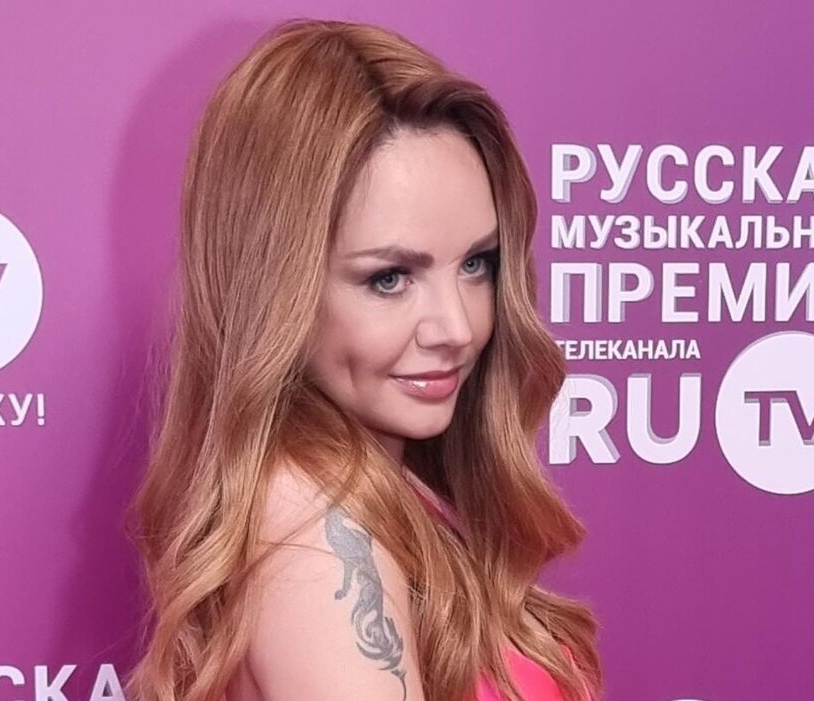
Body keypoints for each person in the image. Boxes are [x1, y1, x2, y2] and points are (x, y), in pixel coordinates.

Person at [126, 18, 602, 701]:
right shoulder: (320, 527)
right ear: (274, 288)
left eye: (476, 263)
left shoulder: (385, 489)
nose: (458, 327)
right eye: (390, 278)